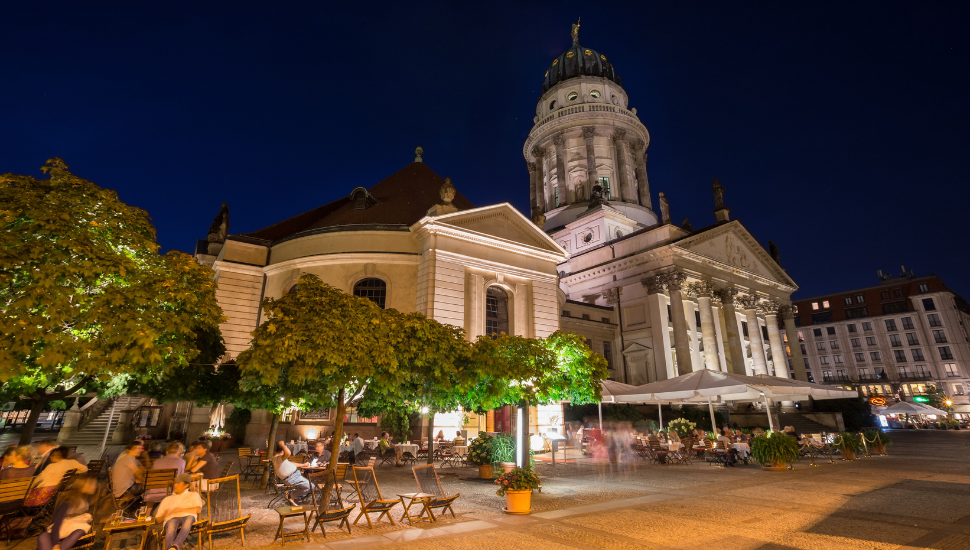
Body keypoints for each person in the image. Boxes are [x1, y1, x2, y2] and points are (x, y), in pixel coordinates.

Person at [36, 474, 97, 550]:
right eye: (90, 483)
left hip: (71, 532)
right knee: (43, 536)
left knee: (79, 531)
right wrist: (55, 544)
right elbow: (57, 523)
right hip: (57, 532)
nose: (94, 486)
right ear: (81, 485)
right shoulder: (69, 501)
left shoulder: (87, 500)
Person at [155, 473, 203, 550]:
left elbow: (198, 509)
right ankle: (173, 548)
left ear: (186, 485)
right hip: (172, 519)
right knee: (171, 524)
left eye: (178, 483)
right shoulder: (167, 499)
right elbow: (157, 520)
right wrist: (165, 514)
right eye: (175, 483)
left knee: (189, 519)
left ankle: (175, 546)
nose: (175, 485)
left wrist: (181, 510)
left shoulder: (193, 495)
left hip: (188, 517)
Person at [272, 441, 311, 506]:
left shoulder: (277, 458)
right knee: (311, 486)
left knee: (309, 484)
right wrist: (282, 444)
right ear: (282, 451)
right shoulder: (278, 458)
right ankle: (293, 495)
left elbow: (290, 464)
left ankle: (296, 497)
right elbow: (288, 453)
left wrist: (303, 465)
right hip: (293, 478)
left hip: (293, 477)